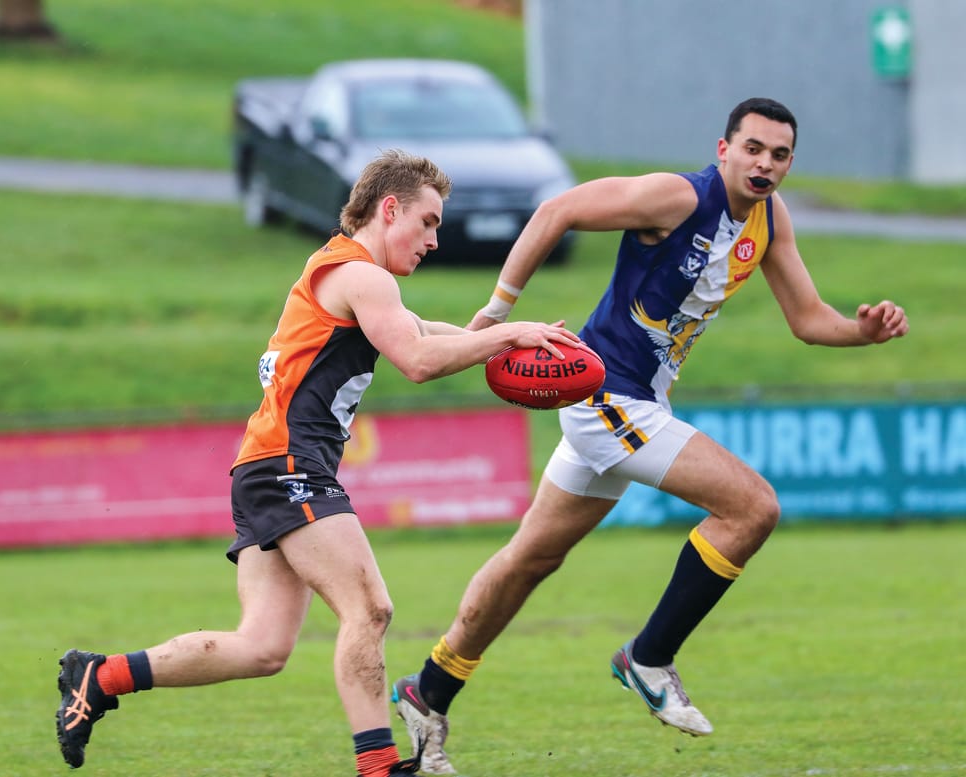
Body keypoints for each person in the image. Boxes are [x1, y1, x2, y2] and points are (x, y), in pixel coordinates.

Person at [391, 98, 910, 775]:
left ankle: (427, 692)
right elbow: (558, 210)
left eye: (779, 155)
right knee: (753, 506)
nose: (765, 164)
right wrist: (495, 314)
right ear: (723, 149)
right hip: (607, 395)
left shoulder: (769, 219)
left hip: (632, 402)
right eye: (753, 148)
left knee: (529, 560)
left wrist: (861, 331)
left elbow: (809, 319)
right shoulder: (675, 196)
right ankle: (649, 656)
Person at [54, 149, 580, 777]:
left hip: (262, 467)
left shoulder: (346, 270)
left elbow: (424, 332)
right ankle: (380, 766)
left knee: (262, 648)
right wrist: (505, 336)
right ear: (390, 209)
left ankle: (101, 676)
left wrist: (506, 336)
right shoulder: (364, 277)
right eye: (430, 221)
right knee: (370, 609)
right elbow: (416, 362)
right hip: (287, 467)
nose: (434, 240)